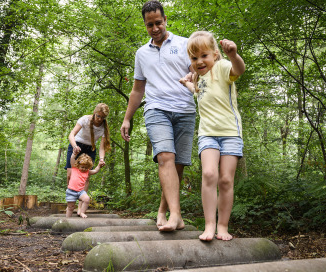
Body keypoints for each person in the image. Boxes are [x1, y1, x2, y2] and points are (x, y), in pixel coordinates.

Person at [120, 0, 196, 232]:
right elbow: (137, 90)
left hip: (185, 110)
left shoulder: (185, 44)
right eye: (149, 24)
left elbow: (199, 70)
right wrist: (127, 118)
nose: (155, 28)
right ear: (145, 25)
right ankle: (176, 216)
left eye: (158, 23)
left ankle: (164, 212)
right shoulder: (141, 53)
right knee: (165, 158)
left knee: (178, 165)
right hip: (156, 109)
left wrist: (195, 77)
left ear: (165, 20)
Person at [179, 31, 246, 241]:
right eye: (194, 58)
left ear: (215, 54)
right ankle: (209, 225)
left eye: (204, 55)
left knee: (226, 180)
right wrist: (186, 83)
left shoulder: (223, 67)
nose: (199, 61)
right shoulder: (198, 77)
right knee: (209, 174)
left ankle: (223, 227)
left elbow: (239, 70)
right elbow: (198, 91)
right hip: (207, 134)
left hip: (230, 133)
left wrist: (234, 55)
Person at [65, 103, 110, 212]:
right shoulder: (85, 119)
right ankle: (70, 204)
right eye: (98, 116)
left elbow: (102, 147)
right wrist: (75, 146)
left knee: (86, 177)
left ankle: (80, 208)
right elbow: (71, 134)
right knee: (71, 175)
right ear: (95, 113)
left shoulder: (104, 127)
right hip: (77, 145)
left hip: (90, 149)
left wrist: (101, 159)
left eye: (103, 117)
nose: (100, 119)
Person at [65, 152, 103, 218]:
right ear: (78, 165)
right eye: (82, 167)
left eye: (86, 167)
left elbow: (95, 171)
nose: (84, 169)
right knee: (70, 207)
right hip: (71, 191)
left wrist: (99, 165)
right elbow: (72, 158)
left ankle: (82, 212)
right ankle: (67, 220)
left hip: (80, 192)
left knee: (86, 199)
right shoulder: (74, 168)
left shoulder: (87, 172)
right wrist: (74, 153)